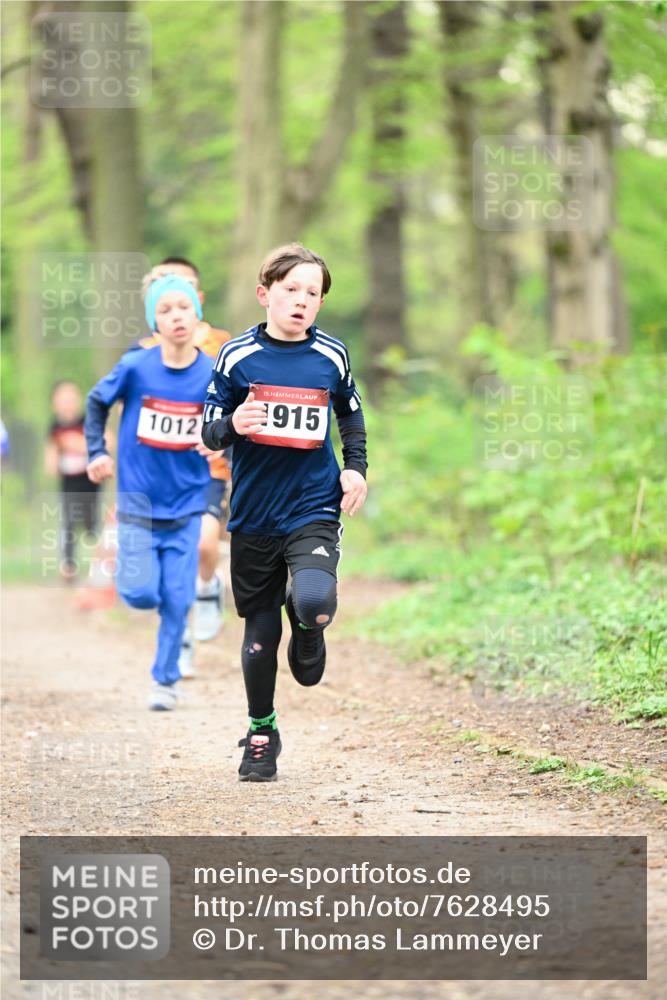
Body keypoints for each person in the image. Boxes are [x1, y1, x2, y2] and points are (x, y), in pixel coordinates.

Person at [202, 243, 368, 781]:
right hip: (253, 511)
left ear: (320, 304)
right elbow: (208, 429)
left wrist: (356, 468)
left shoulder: (333, 357)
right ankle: (261, 731)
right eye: (291, 290)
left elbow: (351, 419)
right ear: (265, 294)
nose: (301, 301)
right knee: (258, 633)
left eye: (312, 294)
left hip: (313, 502)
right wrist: (235, 425)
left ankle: (312, 627)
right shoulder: (235, 357)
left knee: (316, 598)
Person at [85, 274, 222, 710]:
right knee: (142, 593)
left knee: (178, 599)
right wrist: (95, 451)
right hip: (139, 503)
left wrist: (219, 437)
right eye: (164, 310)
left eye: (183, 308)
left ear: (196, 315)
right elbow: (96, 402)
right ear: (154, 322)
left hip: (188, 503)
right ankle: (158, 594)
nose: (176, 316)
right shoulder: (136, 367)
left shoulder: (212, 374)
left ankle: (164, 681)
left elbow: (232, 422)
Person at [139, 258, 231, 654]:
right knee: (168, 565)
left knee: (202, 545)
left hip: (209, 467)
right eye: (163, 286)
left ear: (199, 299)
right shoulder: (142, 353)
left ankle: (208, 587)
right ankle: (180, 636)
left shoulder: (223, 346)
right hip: (159, 473)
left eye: (184, 289)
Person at [45, 380, 101, 583]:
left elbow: (103, 441)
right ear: (55, 403)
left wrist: (77, 445)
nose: (67, 405)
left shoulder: (86, 422)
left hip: (89, 483)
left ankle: (102, 562)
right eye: (62, 400)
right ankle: (68, 566)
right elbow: (52, 449)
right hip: (68, 484)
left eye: (70, 400)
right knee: (68, 522)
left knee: (90, 524)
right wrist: (51, 460)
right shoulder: (55, 425)